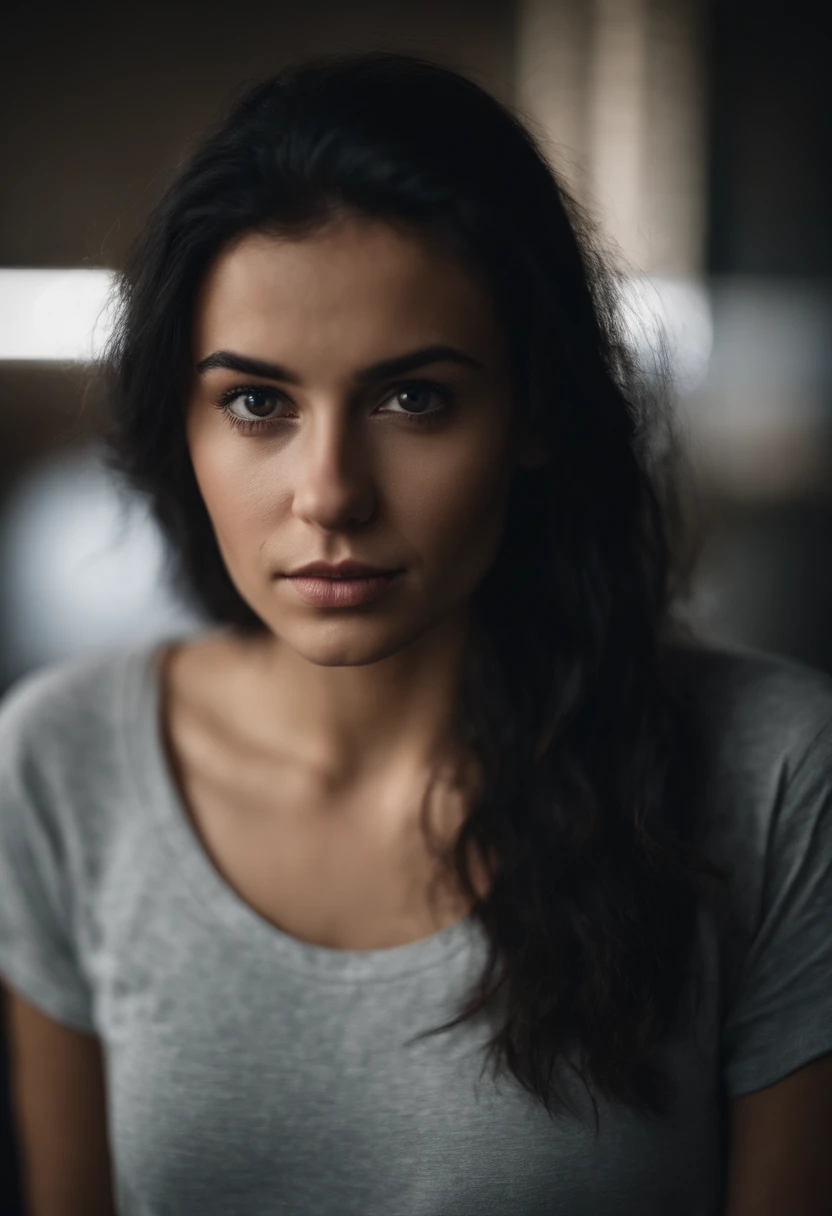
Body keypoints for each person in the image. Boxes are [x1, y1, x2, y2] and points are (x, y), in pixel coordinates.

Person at [1, 50, 831, 1216]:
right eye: (257, 403)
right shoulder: (57, 763)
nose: (331, 491)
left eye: (413, 398)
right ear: (177, 424)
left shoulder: (772, 768)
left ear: (535, 407)